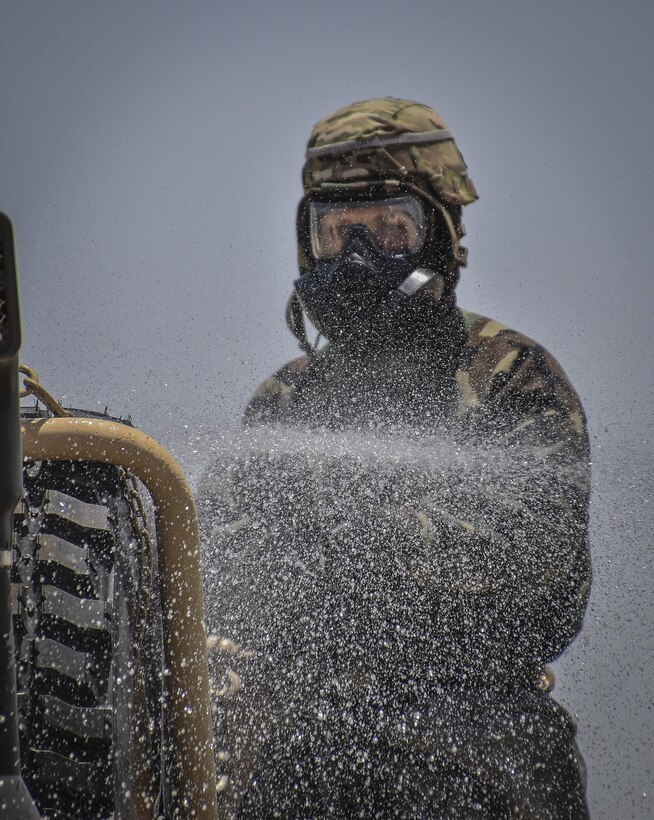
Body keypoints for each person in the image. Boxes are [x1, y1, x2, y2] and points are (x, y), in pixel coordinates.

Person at [201, 97, 591, 817]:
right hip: (300, 751)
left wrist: (335, 535)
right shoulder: (285, 402)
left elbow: (537, 576)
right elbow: (226, 580)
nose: (358, 259)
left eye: (389, 230)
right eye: (338, 232)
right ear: (307, 242)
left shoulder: (510, 374)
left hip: (482, 751)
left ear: (438, 239)